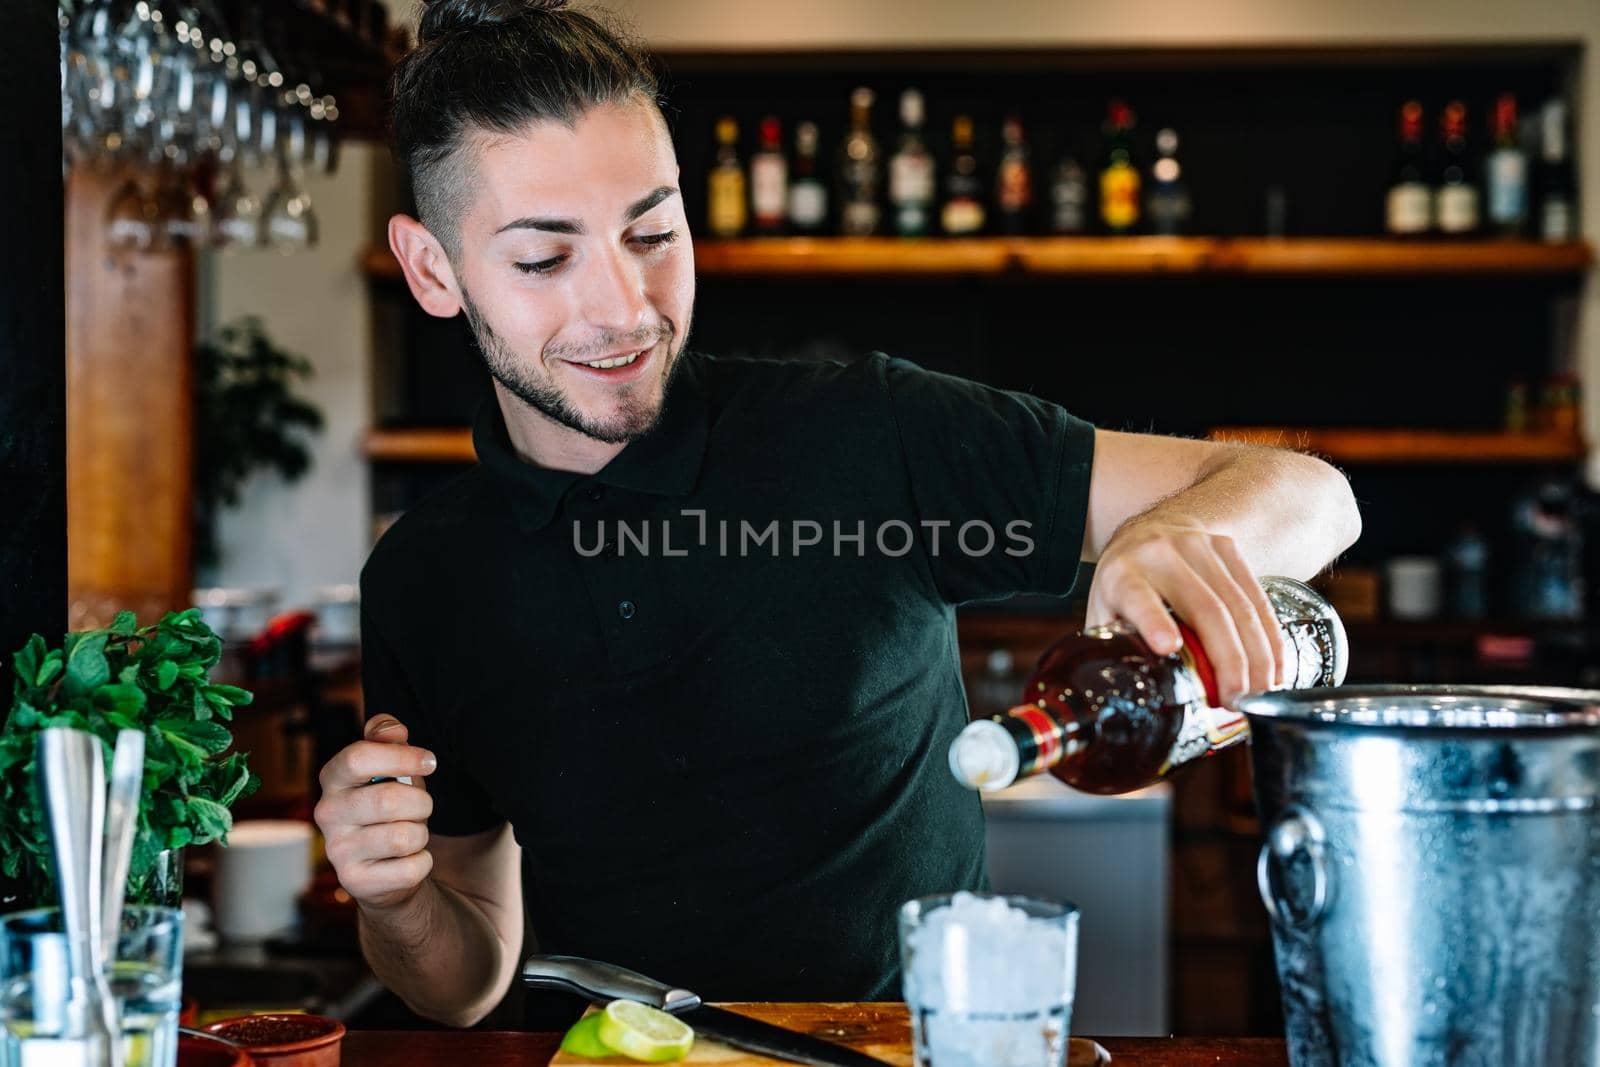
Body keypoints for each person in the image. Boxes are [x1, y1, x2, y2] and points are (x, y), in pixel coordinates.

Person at [312, 0, 1361, 1029]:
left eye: (654, 232)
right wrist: (396, 899)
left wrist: (1168, 535)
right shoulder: (425, 577)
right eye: (545, 259)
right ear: (433, 269)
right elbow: (465, 980)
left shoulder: (866, 430)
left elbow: (1312, 494)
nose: (623, 306)